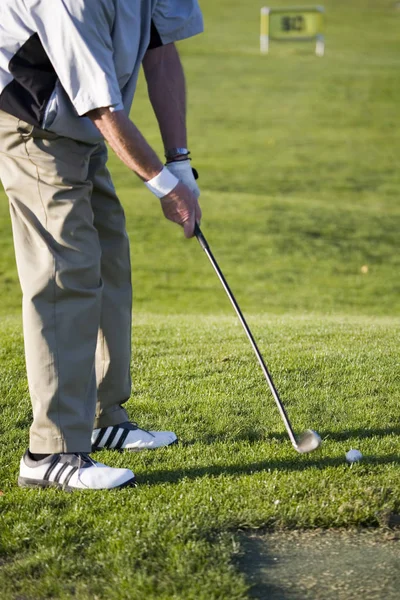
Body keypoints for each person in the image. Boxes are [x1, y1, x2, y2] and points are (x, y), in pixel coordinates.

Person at [0, 0, 203, 490]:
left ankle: (102, 416)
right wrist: (162, 184)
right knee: (63, 272)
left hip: (82, 126)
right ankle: (50, 451)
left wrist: (179, 162)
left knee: (108, 258)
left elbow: (161, 53)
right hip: (32, 122)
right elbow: (99, 104)